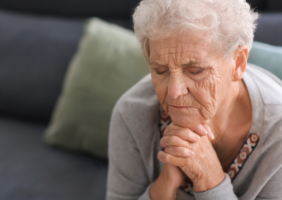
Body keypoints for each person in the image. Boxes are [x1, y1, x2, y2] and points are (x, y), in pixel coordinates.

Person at [106, 0, 282, 199]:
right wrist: (164, 185)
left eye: (195, 70)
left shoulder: (278, 135)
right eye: (160, 70)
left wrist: (209, 179)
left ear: (238, 63)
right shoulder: (131, 112)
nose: (174, 91)